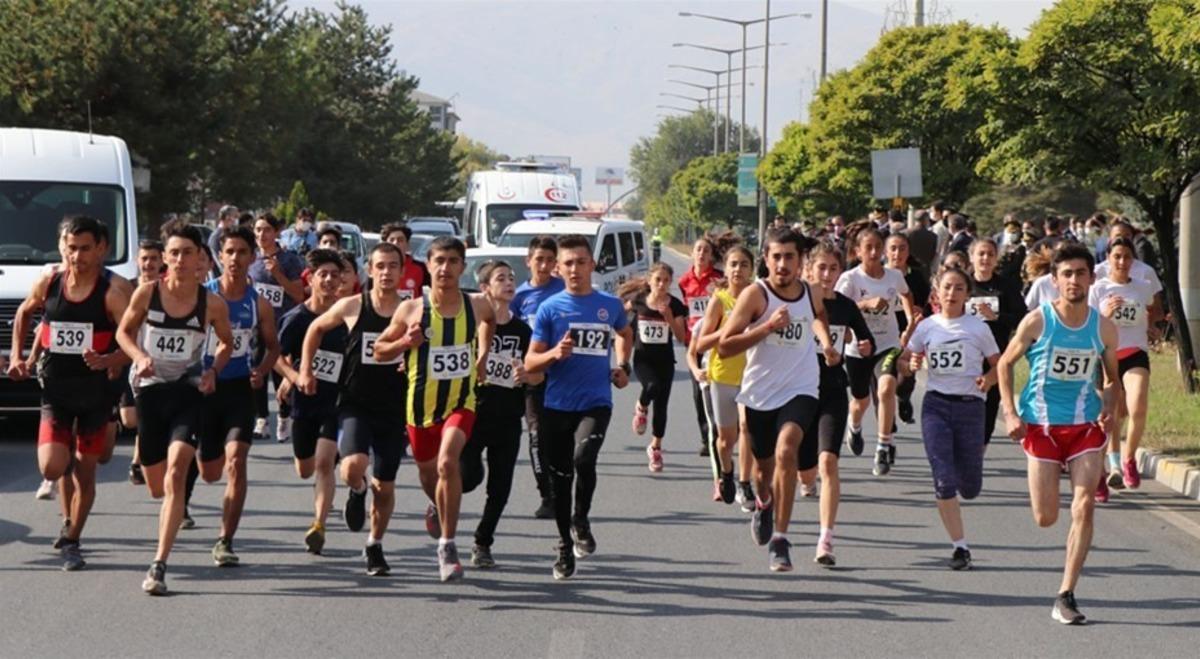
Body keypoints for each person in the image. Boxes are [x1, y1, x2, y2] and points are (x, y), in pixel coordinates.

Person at [997, 243, 1121, 625]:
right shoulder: (1038, 321)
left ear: (1091, 278)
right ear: (1055, 281)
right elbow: (1004, 364)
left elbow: (1112, 377)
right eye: (1066, 274)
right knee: (1046, 517)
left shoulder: (1102, 327)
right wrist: (1010, 413)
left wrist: (1109, 406)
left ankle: (1066, 593)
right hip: (1042, 427)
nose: (1074, 281)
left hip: (1085, 426)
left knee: (1084, 505)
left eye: (1080, 273)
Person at [116, 219, 235, 595]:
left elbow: (227, 344)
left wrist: (213, 370)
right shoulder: (146, 294)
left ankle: (159, 563)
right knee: (156, 485)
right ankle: (171, 504)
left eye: (188, 253)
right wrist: (138, 356)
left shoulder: (211, 303)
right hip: (150, 390)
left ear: (200, 258)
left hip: (188, 391)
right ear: (164, 258)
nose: (181, 260)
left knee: (178, 470)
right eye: (174, 253)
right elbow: (123, 332)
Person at [8, 216, 131, 570]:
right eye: (70, 247)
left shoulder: (114, 291)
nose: (76, 256)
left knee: (87, 470)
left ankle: (73, 539)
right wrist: (18, 356)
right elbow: (23, 313)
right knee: (53, 465)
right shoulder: (50, 282)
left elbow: (134, 342)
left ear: (101, 249)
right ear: (61, 245)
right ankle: (68, 519)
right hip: (57, 391)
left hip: (97, 393)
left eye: (84, 248)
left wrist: (109, 357)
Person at [372, 236, 497, 582]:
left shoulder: (476, 305)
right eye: (439, 260)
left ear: (462, 266)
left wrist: (483, 354)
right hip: (419, 408)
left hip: (461, 402)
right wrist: (404, 343)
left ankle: (447, 545)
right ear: (427, 265)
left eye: (453, 261)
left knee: (447, 463)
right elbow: (379, 350)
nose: (445, 268)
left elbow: (490, 321)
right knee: (431, 476)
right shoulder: (411, 309)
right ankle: (438, 507)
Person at [717, 227, 838, 572]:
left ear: (801, 262)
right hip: (759, 394)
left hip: (801, 388)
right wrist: (767, 327)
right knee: (762, 472)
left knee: (789, 450)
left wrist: (826, 344)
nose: (783, 264)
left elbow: (818, 318)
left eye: (789, 257)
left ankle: (780, 540)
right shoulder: (756, 295)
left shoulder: (812, 292)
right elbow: (725, 346)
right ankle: (764, 502)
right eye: (776, 257)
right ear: (766, 260)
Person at [525, 234, 633, 580]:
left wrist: (623, 366)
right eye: (568, 263)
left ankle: (581, 520)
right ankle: (562, 542)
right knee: (560, 478)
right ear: (558, 268)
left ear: (592, 264)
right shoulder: (550, 308)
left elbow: (625, 333)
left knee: (582, 459)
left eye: (581, 262)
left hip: (596, 401)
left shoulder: (609, 305)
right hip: (556, 405)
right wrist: (554, 354)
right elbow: (530, 362)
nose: (575, 269)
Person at [298, 243, 406, 576]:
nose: (386, 273)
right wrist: (305, 369)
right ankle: (357, 490)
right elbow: (315, 329)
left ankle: (374, 545)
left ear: (402, 272)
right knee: (352, 467)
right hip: (355, 402)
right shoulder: (352, 306)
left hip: (396, 407)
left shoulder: (413, 309)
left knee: (385, 487)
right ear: (369, 271)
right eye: (380, 266)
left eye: (392, 266)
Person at [901, 267, 1000, 570]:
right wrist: (911, 363)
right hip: (936, 407)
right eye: (947, 288)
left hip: (971, 408)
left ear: (966, 294)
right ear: (937, 293)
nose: (952, 294)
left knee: (969, 487)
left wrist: (989, 379)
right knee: (943, 480)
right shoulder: (927, 327)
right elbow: (905, 360)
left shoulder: (978, 328)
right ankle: (960, 547)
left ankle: (964, 475)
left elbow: (1000, 363)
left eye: (959, 288)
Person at [197, 225, 280, 566]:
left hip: (239, 391)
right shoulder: (202, 296)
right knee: (210, 472)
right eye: (229, 252)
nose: (235, 259)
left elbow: (274, 346)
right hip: (204, 389)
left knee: (237, 461)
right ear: (219, 256)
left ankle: (225, 540)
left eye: (242, 252)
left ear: (252, 256)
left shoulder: (258, 303)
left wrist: (261, 369)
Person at [458, 260, 541, 569]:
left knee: (501, 486)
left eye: (511, 278)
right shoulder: (469, 326)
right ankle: (439, 500)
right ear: (484, 289)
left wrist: (527, 374)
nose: (509, 283)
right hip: (472, 413)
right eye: (501, 278)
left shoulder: (523, 330)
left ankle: (482, 542)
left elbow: (538, 376)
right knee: (467, 479)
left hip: (508, 416)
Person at [799, 241, 873, 566]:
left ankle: (825, 539)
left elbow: (865, 340)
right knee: (805, 469)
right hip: (798, 391)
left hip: (832, 390)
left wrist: (865, 345)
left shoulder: (846, 306)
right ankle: (805, 480)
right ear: (810, 269)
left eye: (833, 268)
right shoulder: (796, 304)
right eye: (821, 268)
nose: (827, 275)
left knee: (828, 463)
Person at [274, 249, 347, 554]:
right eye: (323, 275)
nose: (329, 280)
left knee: (324, 462)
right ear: (310, 279)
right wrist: (291, 376)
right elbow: (275, 357)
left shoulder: (348, 317)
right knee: (305, 468)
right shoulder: (296, 319)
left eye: (334, 274)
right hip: (305, 402)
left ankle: (319, 525)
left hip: (339, 401)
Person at [836, 227, 914, 476]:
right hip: (858, 347)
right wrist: (865, 304)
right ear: (858, 252)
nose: (873, 252)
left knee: (887, 387)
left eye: (878, 247)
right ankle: (855, 424)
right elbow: (838, 309)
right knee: (861, 401)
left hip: (887, 343)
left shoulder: (893, 276)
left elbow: (906, 294)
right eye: (867, 248)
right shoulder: (851, 279)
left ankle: (883, 444)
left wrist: (910, 320)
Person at [1089, 238, 1160, 491]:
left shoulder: (1143, 286)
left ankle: (1129, 459)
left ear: (1133, 260)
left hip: (1134, 353)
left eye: (1127, 257)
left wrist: (1150, 325)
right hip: (1105, 356)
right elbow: (1088, 324)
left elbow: (1152, 309)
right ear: (1108, 259)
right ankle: (1106, 469)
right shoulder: (1097, 289)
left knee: (1137, 405)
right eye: (1117, 256)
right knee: (1109, 416)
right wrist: (1105, 314)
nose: (1122, 262)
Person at [691, 246, 757, 509]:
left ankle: (745, 484)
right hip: (723, 376)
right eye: (733, 264)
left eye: (743, 264)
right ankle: (727, 473)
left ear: (752, 269)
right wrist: (727, 331)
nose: (738, 269)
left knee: (747, 430)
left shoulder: (759, 297)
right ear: (726, 269)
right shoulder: (719, 300)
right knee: (725, 440)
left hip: (753, 376)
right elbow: (701, 344)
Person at [509, 236, 565, 518]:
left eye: (549, 260)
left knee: (560, 439)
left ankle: (564, 486)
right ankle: (547, 495)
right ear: (528, 261)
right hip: (533, 378)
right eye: (538, 259)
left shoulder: (565, 291)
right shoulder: (518, 298)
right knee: (536, 437)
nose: (543, 265)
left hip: (565, 377)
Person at [620, 263, 687, 473]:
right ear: (650, 281)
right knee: (651, 386)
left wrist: (668, 318)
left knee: (662, 406)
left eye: (666, 281)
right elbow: (620, 315)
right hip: (643, 359)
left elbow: (681, 337)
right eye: (658, 280)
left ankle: (655, 447)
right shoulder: (639, 300)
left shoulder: (674, 305)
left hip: (665, 360)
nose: (661, 284)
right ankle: (641, 406)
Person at [249, 212, 305, 442]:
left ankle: (283, 415)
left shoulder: (290, 260)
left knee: (279, 370)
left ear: (277, 233)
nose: (262, 234)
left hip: (282, 324)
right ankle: (262, 418)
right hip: (256, 325)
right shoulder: (251, 259)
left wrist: (278, 274)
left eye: (267, 230)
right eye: (259, 229)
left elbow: (299, 294)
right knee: (256, 367)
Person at [967, 238, 1027, 446]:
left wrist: (997, 317)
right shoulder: (962, 285)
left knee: (989, 409)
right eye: (981, 254)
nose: (985, 258)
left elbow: (1022, 319)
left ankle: (978, 453)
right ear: (971, 257)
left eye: (990, 254)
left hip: (996, 359)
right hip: (966, 357)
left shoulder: (1006, 287)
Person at [679, 237, 723, 457]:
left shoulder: (718, 279)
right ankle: (707, 436)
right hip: (694, 342)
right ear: (692, 253)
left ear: (711, 255)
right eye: (698, 249)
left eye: (706, 250)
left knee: (717, 387)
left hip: (715, 338)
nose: (702, 254)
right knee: (698, 392)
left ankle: (719, 431)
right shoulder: (684, 281)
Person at [126, 239, 165, 486]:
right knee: (130, 419)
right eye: (144, 258)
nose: (148, 263)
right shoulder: (126, 288)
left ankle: (138, 460)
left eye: (153, 258)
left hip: (157, 368)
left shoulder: (168, 291)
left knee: (144, 414)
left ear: (162, 262)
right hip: (129, 362)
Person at [885, 232, 929, 426]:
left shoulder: (917, 277)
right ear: (886, 252)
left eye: (902, 248)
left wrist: (920, 310)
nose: (897, 253)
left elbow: (928, 303)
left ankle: (903, 398)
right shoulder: (879, 276)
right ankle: (887, 416)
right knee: (885, 377)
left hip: (910, 332)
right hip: (884, 333)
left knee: (905, 376)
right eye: (893, 248)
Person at [380, 221, 431, 297]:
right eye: (392, 240)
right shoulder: (377, 267)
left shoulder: (420, 267)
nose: (395, 243)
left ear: (407, 244)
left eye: (400, 240)